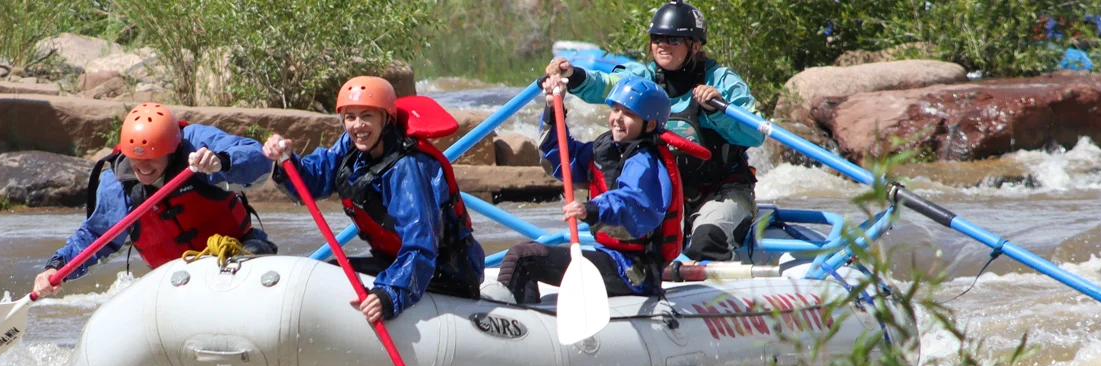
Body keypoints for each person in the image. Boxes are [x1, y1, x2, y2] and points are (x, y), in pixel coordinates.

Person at [543, 0, 764, 262]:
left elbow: (755, 134)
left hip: (721, 193)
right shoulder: (642, 77)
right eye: (657, 38)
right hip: (664, 196)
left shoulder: (722, 82)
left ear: (694, 45)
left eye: (673, 39)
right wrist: (573, 75)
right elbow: (606, 85)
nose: (662, 44)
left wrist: (717, 111)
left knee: (705, 241)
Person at [262, 76, 485, 324]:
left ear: (386, 118)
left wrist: (388, 295)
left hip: (444, 271)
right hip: (393, 262)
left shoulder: (408, 168)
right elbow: (310, 183)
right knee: (331, 271)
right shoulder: (352, 147)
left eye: (367, 115)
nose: (358, 126)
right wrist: (287, 160)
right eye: (350, 117)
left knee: (358, 281)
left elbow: (421, 247)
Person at [33, 103, 276, 297]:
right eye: (136, 159)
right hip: (176, 278)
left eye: (152, 158)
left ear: (171, 150)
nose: (143, 167)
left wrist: (223, 161)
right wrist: (57, 266)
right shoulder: (118, 183)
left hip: (238, 252)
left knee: (254, 251)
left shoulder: (198, 143)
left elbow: (259, 159)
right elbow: (95, 237)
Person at [494, 76, 683, 304]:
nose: (617, 119)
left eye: (629, 114)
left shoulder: (646, 161)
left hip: (634, 271)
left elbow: (633, 202)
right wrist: (553, 109)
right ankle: (523, 317)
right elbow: (559, 158)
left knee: (523, 258)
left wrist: (591, 209)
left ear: (650, 124)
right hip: (610, 256)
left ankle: (507, 324)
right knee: (526, 254)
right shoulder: (608, 151)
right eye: (615, 110)